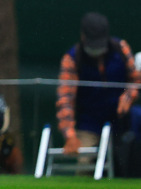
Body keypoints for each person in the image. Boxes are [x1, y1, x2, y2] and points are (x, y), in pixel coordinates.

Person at [56, 12, 140, 162]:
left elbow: (136, 80)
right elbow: (65, 100)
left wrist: (127, 98)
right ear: (83, 37)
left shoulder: (120, 48)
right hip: (89, 125)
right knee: (84, 164)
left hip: (121, 123)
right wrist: (70, 135)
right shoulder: (72, 58)